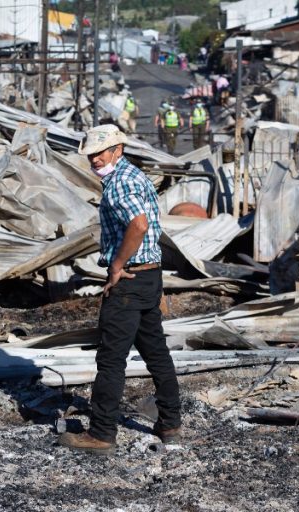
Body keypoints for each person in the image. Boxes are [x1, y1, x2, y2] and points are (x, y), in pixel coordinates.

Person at [58, 124, 182, 455]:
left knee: (111, 359)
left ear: (118, 149)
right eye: (90, 155)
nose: (95, 159)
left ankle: (101, 434)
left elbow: (138, 225)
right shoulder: (134, 176)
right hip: (149, 276)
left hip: (129, 280)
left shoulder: (118, 186)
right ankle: (170, 425)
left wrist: (116, 265)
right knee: (156, 352)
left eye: (101, 152)